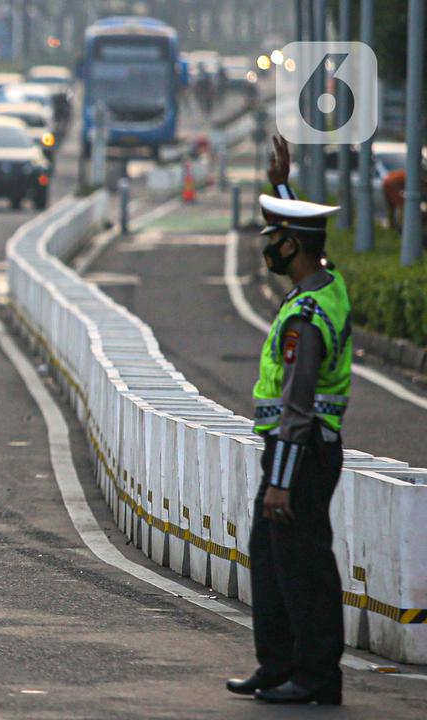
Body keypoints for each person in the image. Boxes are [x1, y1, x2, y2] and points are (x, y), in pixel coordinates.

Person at [226, 135, 350, 706]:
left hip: (298, 454)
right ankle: (275, 665)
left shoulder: (305, 318)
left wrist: (279, 482)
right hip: (293, 452)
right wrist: (281, 186)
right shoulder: (328, 285)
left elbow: (298, 411)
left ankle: (316, 675)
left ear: (292, 247)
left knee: (303, 569)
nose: (267, 249)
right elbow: (307, 231)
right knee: (271, 562)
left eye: (274, 240)